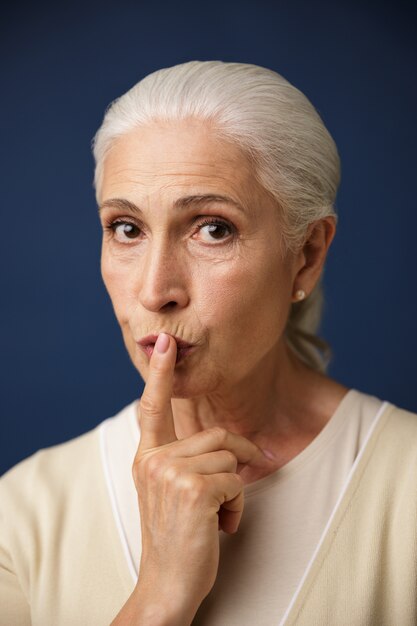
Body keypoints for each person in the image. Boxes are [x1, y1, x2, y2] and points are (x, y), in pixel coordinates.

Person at [1, 61, 416, 626]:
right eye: (127, 228)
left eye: (212, 228)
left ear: (307, 255)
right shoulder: (23, 516)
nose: (154, 291)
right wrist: (160, 596)